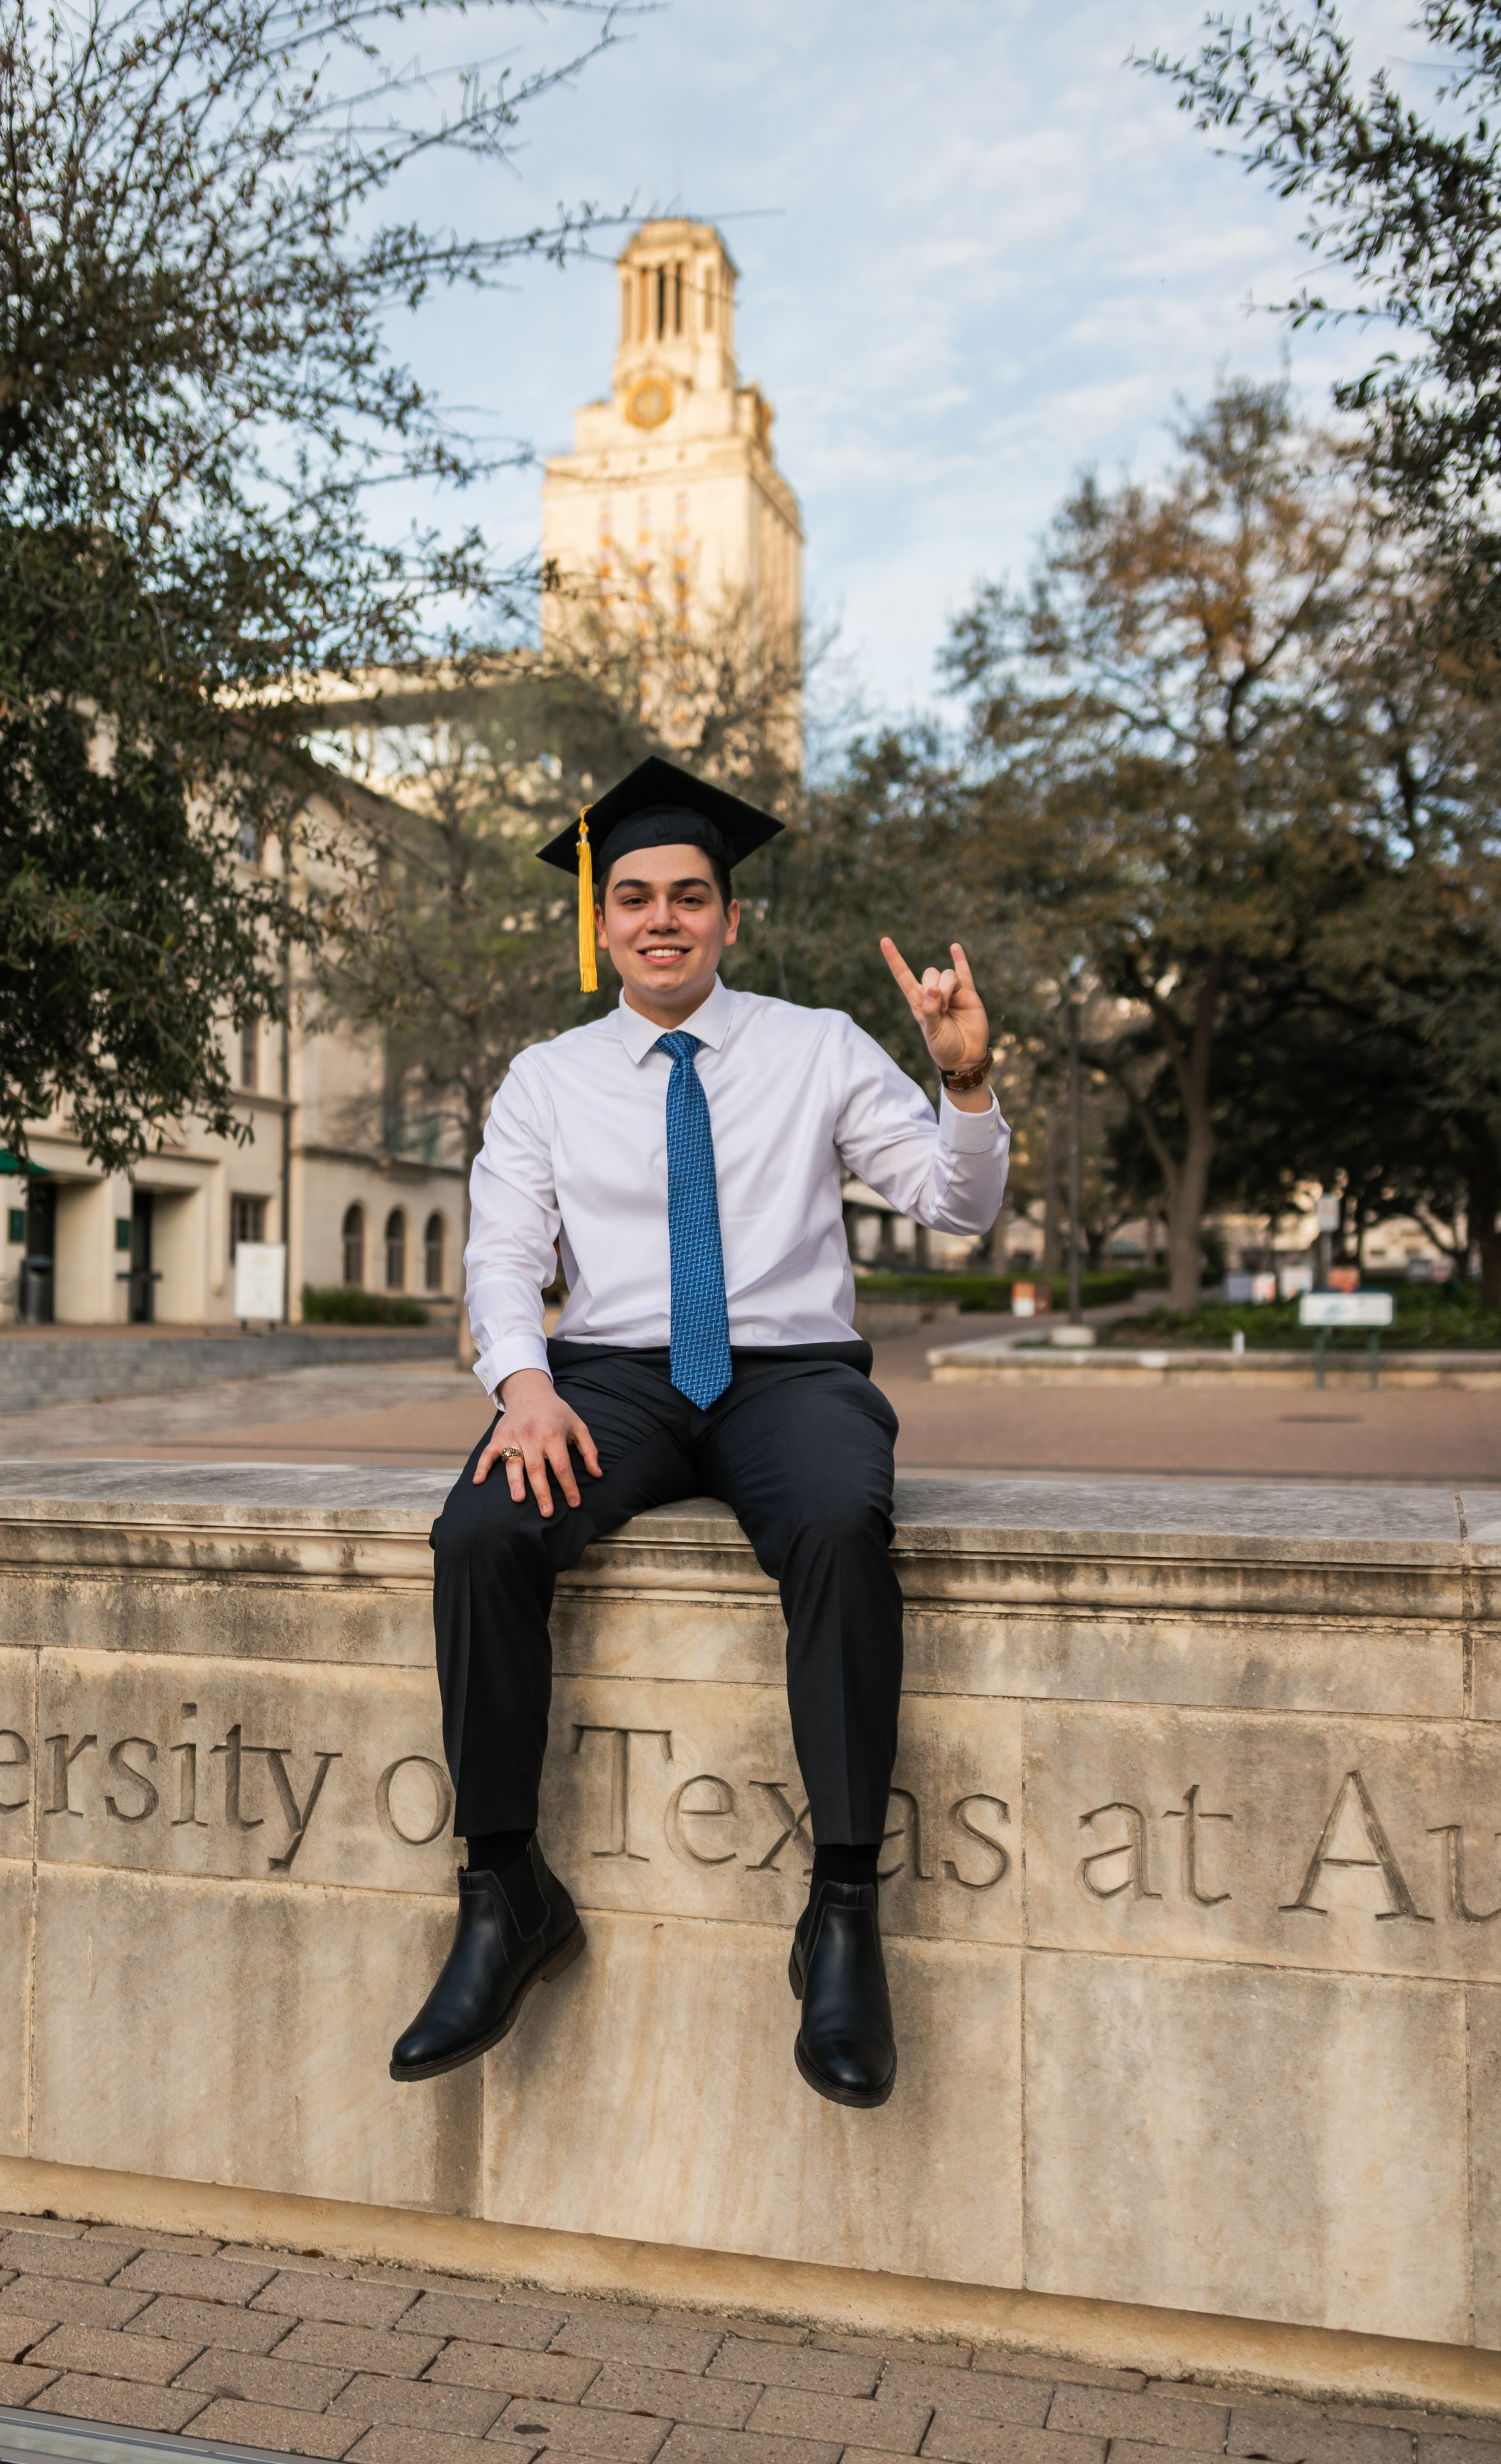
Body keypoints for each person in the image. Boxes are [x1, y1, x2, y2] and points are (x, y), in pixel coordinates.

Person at [389, 755, 1009, 2107]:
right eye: (633, 898)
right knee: (481, 1526)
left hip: (787, 1377)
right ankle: (505, 1891)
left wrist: (963, 1086)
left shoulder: (819, 1046)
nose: (660, 918)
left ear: (731, 919)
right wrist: (521, 1383)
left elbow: (955, 1206)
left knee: (842, 1519)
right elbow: (501, 1255)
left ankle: (841, 1913)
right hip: (608, 1382)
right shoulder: (546, 1078)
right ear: (601, 923)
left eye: (687, 896)